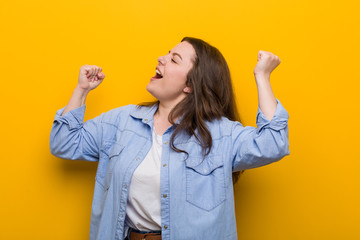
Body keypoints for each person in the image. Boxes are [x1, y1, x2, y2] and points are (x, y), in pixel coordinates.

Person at [50, 36, 290, 240]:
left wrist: (263, 76)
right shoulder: (121, 122)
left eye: (174, 59)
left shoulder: (220, 135)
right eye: (167, 54)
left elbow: (273, 143)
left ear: (191, 85)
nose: (161, 59)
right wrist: (81, 90)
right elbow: (63, 142)